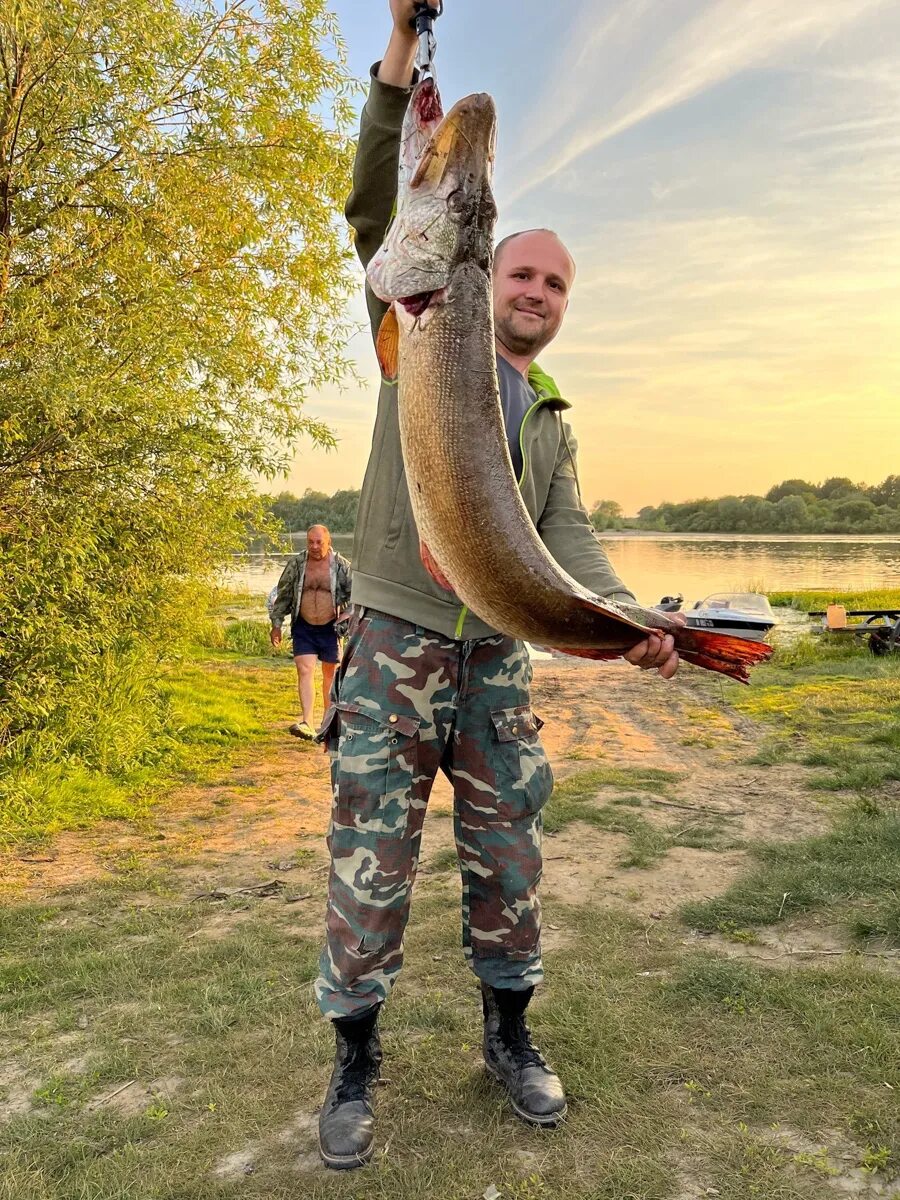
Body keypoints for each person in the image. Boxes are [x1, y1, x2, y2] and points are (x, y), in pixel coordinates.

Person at [314, 0, 682, 1171]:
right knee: (371, 853)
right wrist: (399, 60)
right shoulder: (412, 322)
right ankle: (355, 1060)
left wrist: (630, 620)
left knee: (509, 854)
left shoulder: (554, 418)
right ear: (486, 270)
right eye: (519, 269)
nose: (531, 291)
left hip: (496, 661)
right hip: (392, 643)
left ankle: (509, 1037)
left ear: (564, 305)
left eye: (552, 285)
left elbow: (568, 538)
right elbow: (379, 201)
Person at [269, 525, 351, 740]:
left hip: (330, 628)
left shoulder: (341, 566)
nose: (314, 547)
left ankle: (326, 723)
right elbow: (284, 594)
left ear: (328, 542)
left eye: (319, 542)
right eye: (310, 542)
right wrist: (276, 624)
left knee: (329, 675)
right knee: (304, 669)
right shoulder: (296, 564)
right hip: (303, 626)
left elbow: (358, 596)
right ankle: (307, 721)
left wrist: (346, 617)